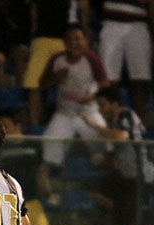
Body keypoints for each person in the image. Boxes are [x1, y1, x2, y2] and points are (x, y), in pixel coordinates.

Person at [82, 86, 154, 225]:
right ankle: (117, 207)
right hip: (126, 178)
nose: (100, 110)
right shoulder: (115, 122)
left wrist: (94, 126)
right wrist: (104, 157)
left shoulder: (127, 115)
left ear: (115, 104)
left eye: (103, 105)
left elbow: (121, 137)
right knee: (90, 186)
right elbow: (122, 148)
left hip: (140, 177)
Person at [39, 25, 109, 170]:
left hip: (88, 113)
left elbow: (105, 83)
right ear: (64, 42)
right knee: (49, 144)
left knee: (104, 144)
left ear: (85, 41)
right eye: (69, 39)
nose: (73, 42)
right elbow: (43, 84)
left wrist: (92, 95)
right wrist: (57, 77)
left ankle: (102, 173)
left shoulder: (91, 58)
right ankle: (52, 176)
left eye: (77, 39)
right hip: (64, 113)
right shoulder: (57, 59)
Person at [22, 0, 89, 125]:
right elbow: (34, 10)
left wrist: (84, 34)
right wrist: (33, 32)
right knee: (33, 84)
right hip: (42, 38)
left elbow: (83, 8)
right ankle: (35, 125)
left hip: (66, 38)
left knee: (73, 81)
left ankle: (76, 120)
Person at [97, 0, 153, 122]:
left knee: (140, 78)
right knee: (109, 80)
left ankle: (139, 125)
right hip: (111, 23)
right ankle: (114, 122)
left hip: (139, 25)